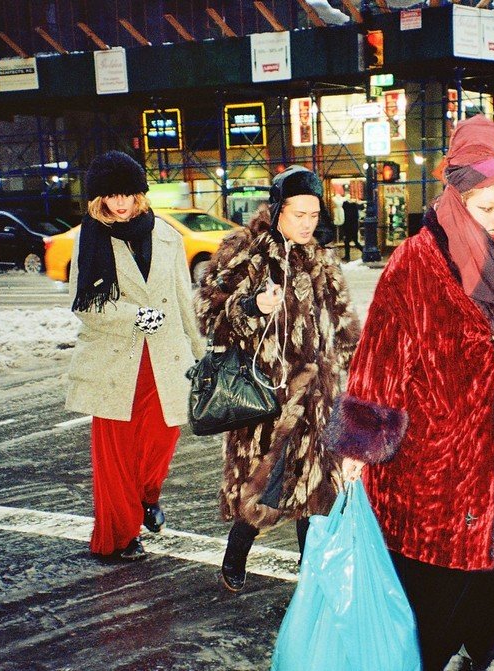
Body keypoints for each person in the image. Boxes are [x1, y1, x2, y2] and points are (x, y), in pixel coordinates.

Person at [325, 115, 494, 670]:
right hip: (434, 460)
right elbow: (381, 355)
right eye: (485, 208)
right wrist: (358, 446)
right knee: (436, 594)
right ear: (457, 197)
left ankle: (471, 655)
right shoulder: (417, 260)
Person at [196, 165, 361, 592]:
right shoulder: (246, 251)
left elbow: (345, 325)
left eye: (314, 215)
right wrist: (251, 307)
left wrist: (357, 374)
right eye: (298, 214)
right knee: (262, 480)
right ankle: (236, 554)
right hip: (263, 394)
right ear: (276, 210)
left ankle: (310, 576)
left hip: (316, 395)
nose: (307, 224)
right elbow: (209, 314)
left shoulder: (322, 259)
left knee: (314, 489)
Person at [66, 150, 205, 563]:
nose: (120, 203)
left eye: (127, 194)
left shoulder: (167, 236)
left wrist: (202, 353)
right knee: (114, 455)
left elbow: (182, 299)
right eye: (111, 196)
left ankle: (146, 495)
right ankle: (119, 536)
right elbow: (84, 304)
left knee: (162, 439)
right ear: (99, 199)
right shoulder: (90, 238)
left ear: (140, 194)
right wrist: (133, 315)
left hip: (165, 356)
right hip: (115, 359)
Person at [341, 197, 362, 261]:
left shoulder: (346, 208)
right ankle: (347, 256)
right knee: (355, 242)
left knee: (347, 242)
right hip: (354, 227)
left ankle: (347, 256)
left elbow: (346, 219)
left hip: (348, 227)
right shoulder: (354, 209)